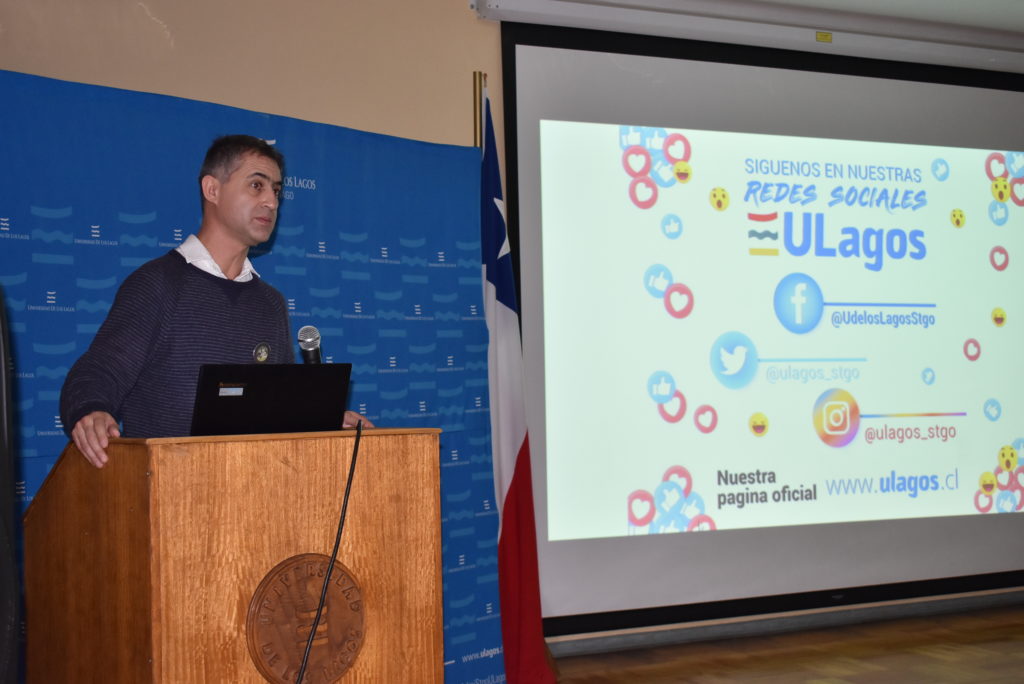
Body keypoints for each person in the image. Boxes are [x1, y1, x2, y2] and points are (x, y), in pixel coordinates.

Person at [60, 135, 370, 468]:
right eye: (256, 186)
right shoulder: (158, 284)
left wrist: (319, 419)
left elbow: (279, 407)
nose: (271, 201)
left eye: (276, 191)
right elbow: (99, 372)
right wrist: (91, 410)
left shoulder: (271, 304)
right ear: (212, 190)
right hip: (170, 487)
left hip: (255, 488)